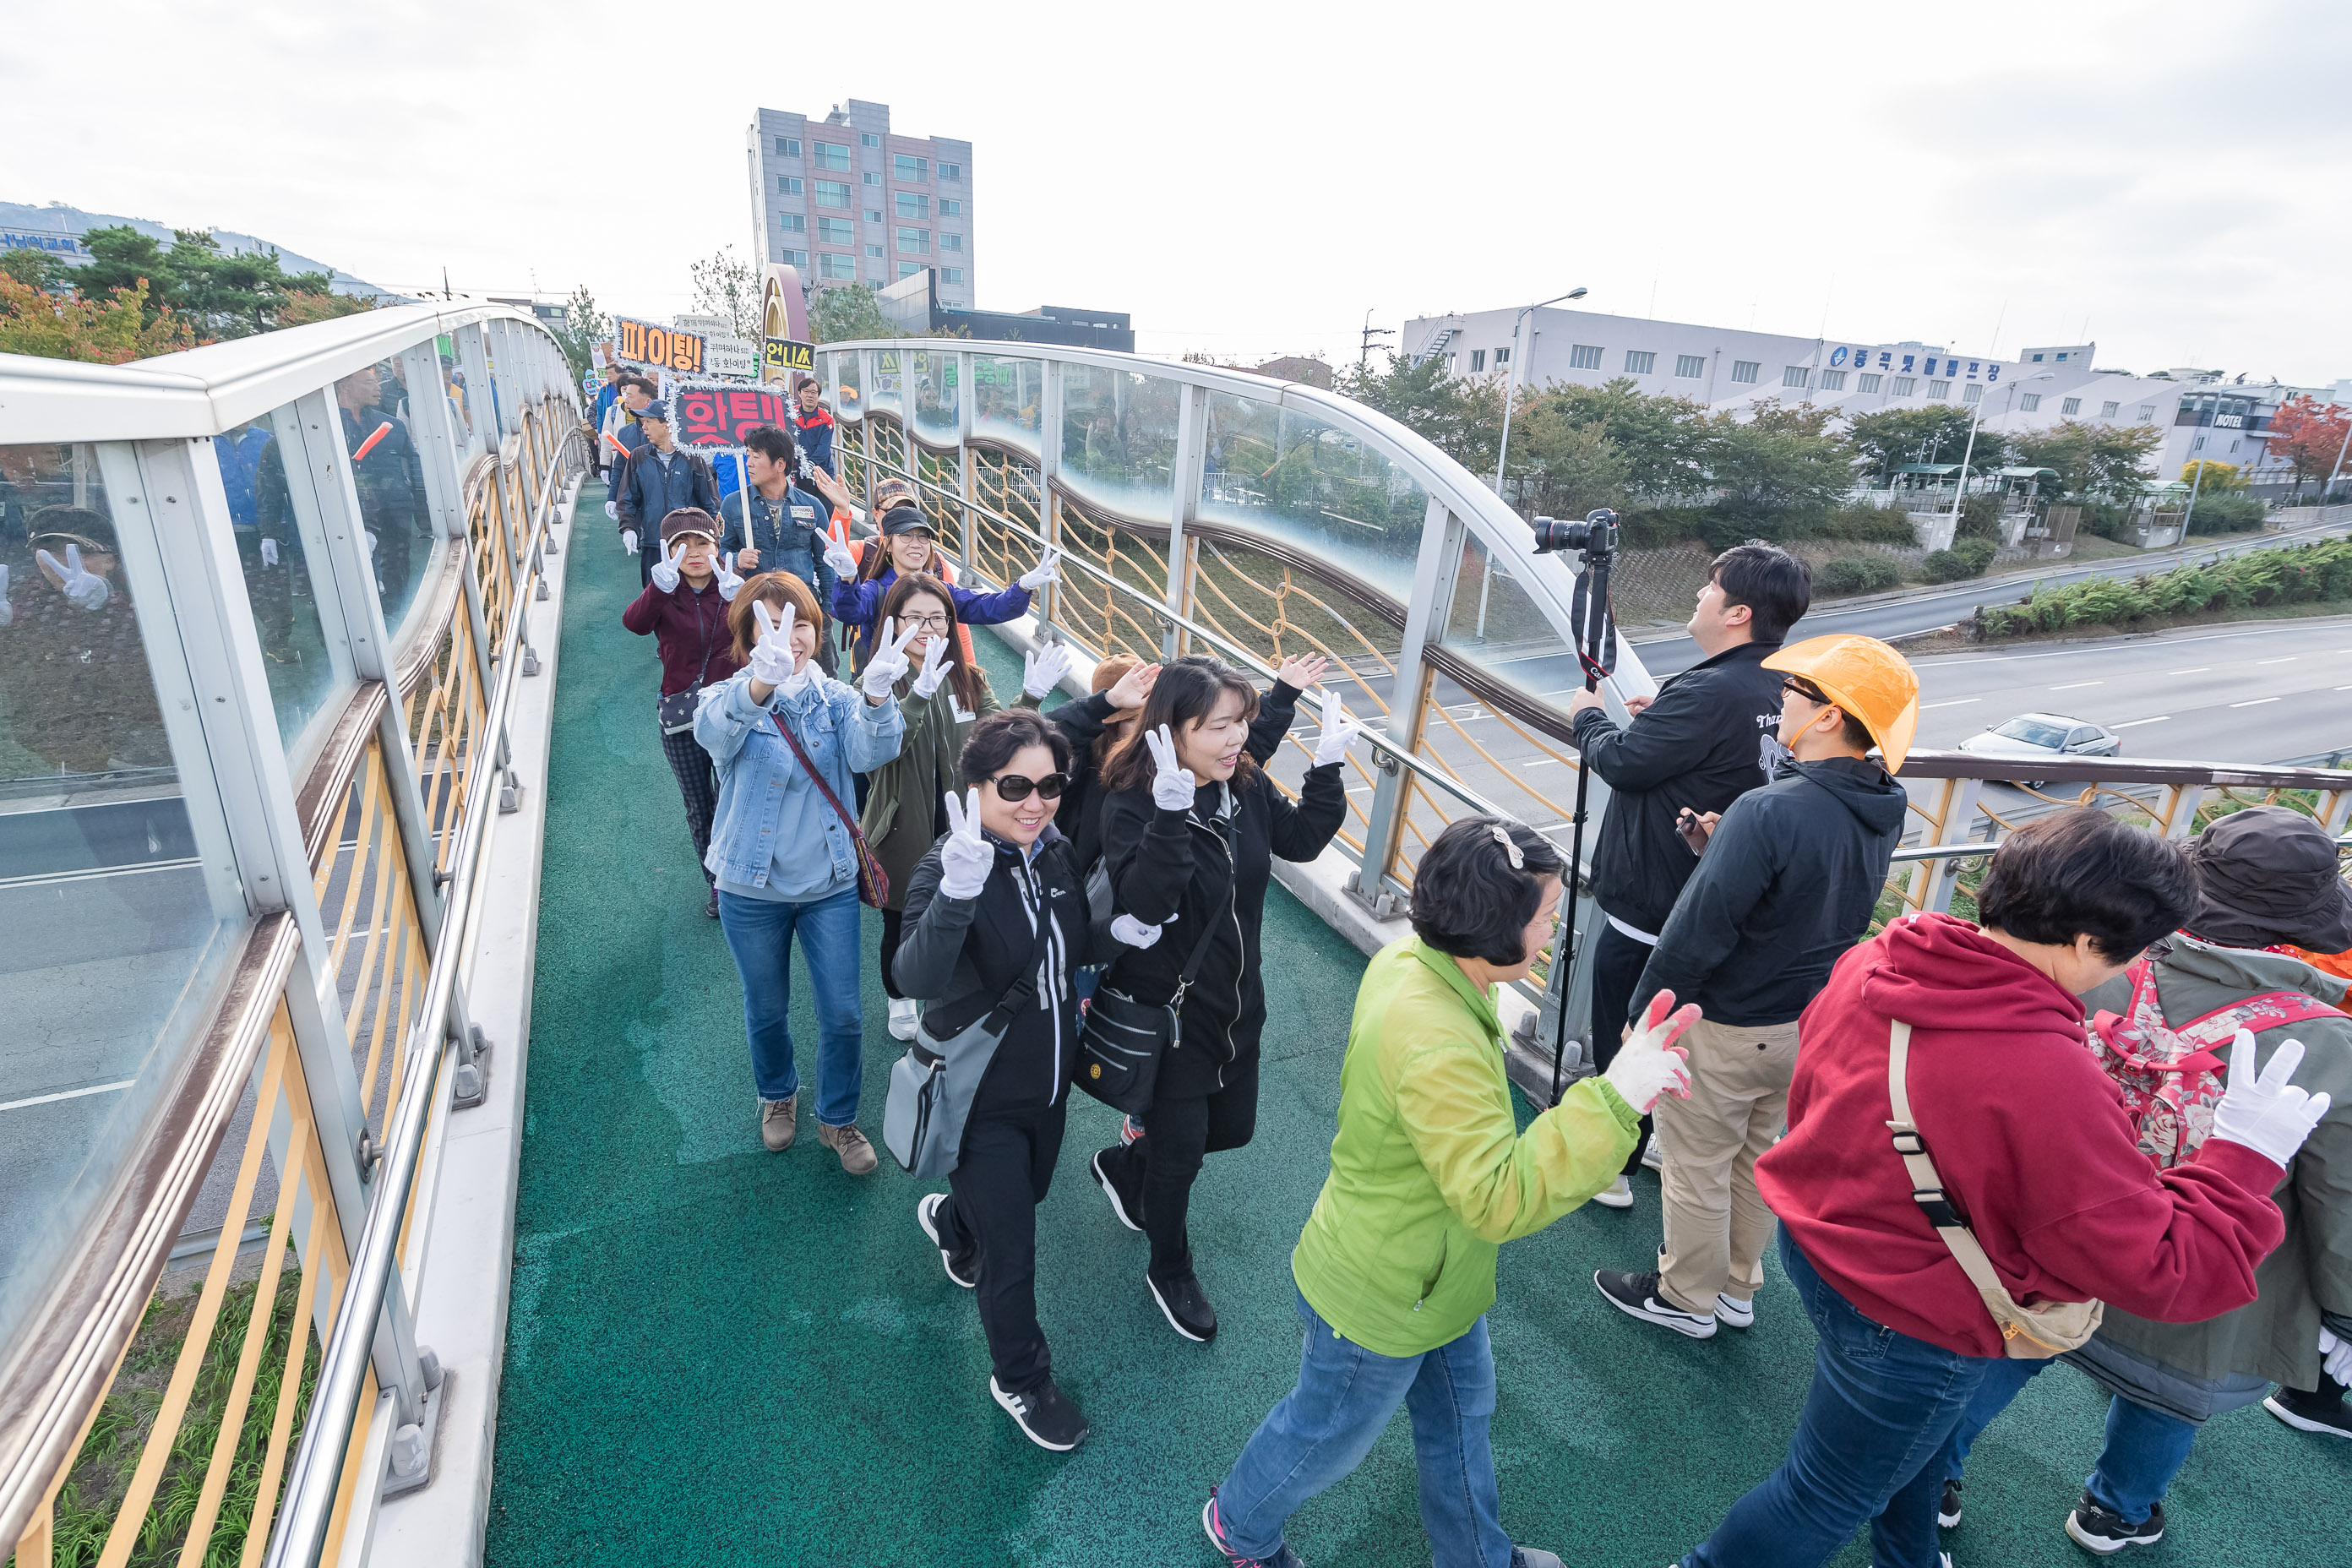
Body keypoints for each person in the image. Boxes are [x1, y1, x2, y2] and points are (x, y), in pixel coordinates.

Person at [1678, 808, 2330, 1568]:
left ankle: (1911, 1556)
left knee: (1903, 1453)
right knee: (1820, 1495)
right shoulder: (2044, 1071)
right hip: (1919, 1313)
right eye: (2136, 947)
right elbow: (2162, 1266)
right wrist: (2245, 1157)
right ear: (2087, 943)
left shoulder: (1883, 958)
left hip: (1825, 1244)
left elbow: (1815, 1091)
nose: (2134, 966)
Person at [1201, 817, 1699, 1568]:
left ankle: (1476, 1558)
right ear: (1495, 927)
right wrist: (1614, 1100)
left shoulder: (1415, 960)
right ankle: (1238, 1527)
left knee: (1461, 1419)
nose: (1555, 930)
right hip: (1385, 1297)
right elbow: (1497, 1197)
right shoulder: (1438, 1039)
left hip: (1427, 1275)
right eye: (1545, 916)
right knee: (1325, 1438)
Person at [1931, 804, 2352, 1552]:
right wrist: (2346, 1315)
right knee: (2165, 1401)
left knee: (2009, 1351)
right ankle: (2116, 1511)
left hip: (2060, 1232)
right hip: (2195, 1279)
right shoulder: (2327, 1044)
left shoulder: (2101, 964)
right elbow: (2339, 1200)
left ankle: (1933, 1474)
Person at [1594, 634, 1915, 1336]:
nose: (1783, 703)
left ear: (1830, 716)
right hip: (1803, 1020)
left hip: (1727, 1022)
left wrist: (1645, 1018)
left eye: (1796, 695)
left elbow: (1698, 930)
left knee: (1697, 1162)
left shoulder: (1768, 810)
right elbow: (1807, 894)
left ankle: (1685, 1299)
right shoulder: (1882, 805)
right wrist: (1724, 850)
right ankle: (1738, 1288)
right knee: (1753, 1157)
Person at [893, 710, 1163, 1451]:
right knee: (1013, 1251)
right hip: (980, 1100)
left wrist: (1117, 938)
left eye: (1050, 785)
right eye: (1014, 785)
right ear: (977, 785)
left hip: (1046, 1089)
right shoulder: (947, 866)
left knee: (1019, 1202)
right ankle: (1020, 1379)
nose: (1035, 801)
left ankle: (952, 1222)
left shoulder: (1054, 854)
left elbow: (1069, 947)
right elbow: (912, 974)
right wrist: (954, 898)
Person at [1087, 657, 1355, 1342]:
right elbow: (1147, 898)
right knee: (1180, 1155)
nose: (1238, 738)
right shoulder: (1132, 800)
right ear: (1173, 731)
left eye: (1243, 722)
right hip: (1172, 1013)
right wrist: (1172, 819)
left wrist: (1326, 769)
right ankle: (1169, 1267)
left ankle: (1125, 1164)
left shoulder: (1245, 785)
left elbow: (1299, 840)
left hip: (1239, 1003)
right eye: (1220, 726)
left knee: (1229, 1130)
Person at [1565, 542, 1809, 1204]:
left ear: (1738, 612)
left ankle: (1610, 1166)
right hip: (1715, 896)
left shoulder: (1709, 688)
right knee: (1676, 1032)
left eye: (1710, 588)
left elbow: (1622, 763)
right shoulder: (1780, 686)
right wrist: (1663, 724)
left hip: (1652, 902)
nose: (1698, 597)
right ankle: (1647, 1143)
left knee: (1628, 1027)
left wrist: (1587, 717)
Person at [694, 572, 912, 1173]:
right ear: (746, 634)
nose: (789, 639)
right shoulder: (729, 695)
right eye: (770, 625)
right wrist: (760, 685)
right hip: (749, 886)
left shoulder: (837, 699)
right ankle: (778, 1096)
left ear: (817, 631)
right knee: (765, 1006)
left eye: (800, 625)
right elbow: (712, 736)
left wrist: (876, 698)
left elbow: (874, 754)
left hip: (829, 885)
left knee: (842, 1011)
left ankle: (839, 1120)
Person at [861, 571, 1070, 1041]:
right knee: (902, 918)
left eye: (938, 618)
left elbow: (999, 736)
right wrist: (916, 694)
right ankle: (899, 996)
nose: (929, 628)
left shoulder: (967, 679)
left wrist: (1031, 697)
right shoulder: (878, 683)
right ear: (894, 624)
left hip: (966, 821)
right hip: (903, 825)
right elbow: (882, 752)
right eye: (915, 617)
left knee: (969, 907)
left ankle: (963, 992)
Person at [621, 508, 747, 919]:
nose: (694, 552)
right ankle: (719, 886)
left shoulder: (732, 588)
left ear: (716, 547)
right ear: (668, 551)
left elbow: (761, 640)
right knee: (701, 805)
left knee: (740, 797)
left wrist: (741, 599)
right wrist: (657, 590)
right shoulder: (665, 591)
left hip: (733, 713)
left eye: (702, 543)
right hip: (683, 719)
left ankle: (750, 875)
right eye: (682, 545)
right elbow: (634, 624)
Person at [825, 502, 1055, 672]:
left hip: (938, 681)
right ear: (887, 544)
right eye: (906, 536)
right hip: (889, 685)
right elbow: (849, 611)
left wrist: (1023, 587)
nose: (916, 544)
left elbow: (990, 608)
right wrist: (847, 578)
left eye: (923, 537)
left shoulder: (940, 590)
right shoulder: (876, 591)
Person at [718, 425, 840, 675]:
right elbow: (720, 552)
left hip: (805, 605)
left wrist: (827, 609)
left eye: (756, 456)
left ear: (780, 464)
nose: (748, 463)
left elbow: (825, 562)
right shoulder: (733, 504)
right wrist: (735, 560)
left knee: (823, 675)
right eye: (748, 455)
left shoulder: (812, 506)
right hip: (757, 609)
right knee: (764, 677)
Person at [618, 401, 720, 591]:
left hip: (687, 546)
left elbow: (710, 503)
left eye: (648, 421)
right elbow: (627, 499)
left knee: (689, 600)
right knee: (654, 599)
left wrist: (713, 539)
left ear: (667, 425)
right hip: (652, 543)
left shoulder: (692, 457)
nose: (644, 427)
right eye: (643, 421)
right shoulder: (638, 457)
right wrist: (628, 528)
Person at [791, 373, 837, 476]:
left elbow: (824, 448)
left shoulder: (827, 419)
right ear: (799, 393)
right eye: (806, 391)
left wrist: (809, 465)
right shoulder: (791, 414)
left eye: (813, 392)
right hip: (798, 471)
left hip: (822, 471)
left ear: (818, 395)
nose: (810, 395)